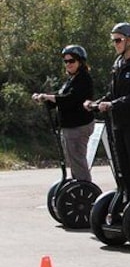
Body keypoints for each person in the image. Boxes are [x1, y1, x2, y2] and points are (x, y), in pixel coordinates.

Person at [86, 22, 130, 200]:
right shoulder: (118, 64)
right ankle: (127, 199)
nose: (115, 44)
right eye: (113, 40)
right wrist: (97, 103)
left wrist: (112, 104)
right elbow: (112, 93)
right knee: (121, 165)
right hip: (118, 122)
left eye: (118, 40)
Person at [32, 45, 95, 182]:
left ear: (80, 62)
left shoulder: (83, 79)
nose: (68, 64)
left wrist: (48, 97)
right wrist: (45, 98)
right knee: (73, 160)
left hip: (78, 126)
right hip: (70, 127)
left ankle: (84, 189)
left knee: (77, 160)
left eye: (71, 61)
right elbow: (61, 96)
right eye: (66, 61)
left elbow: (70, 99)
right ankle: (78, 185)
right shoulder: (71, 80)